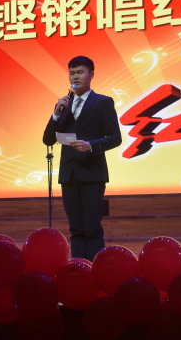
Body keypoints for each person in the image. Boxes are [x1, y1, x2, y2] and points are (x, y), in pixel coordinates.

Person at [42, 56, 122, 261]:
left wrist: (91, 145)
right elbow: (48, 140)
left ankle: (95, 270)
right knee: (75, 229)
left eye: (80, 72)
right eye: (72, 73)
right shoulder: (64, 105)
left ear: (91, 75)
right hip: (69, 174)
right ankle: (78, 269)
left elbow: (115, 138)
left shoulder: (102, 102)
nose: (75, 77)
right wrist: (55, 115)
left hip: (92, 173)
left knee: (92, 227)